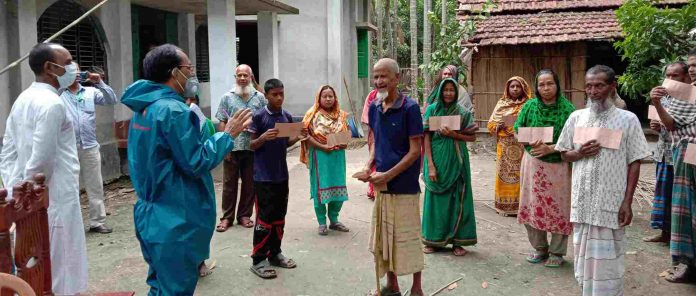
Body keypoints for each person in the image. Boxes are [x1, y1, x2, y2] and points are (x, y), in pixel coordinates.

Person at [121, 44, 252, 294]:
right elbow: (196, 161)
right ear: (175, 72)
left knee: (160, 284)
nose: (192, 74)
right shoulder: (173, 111)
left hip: (151, 214)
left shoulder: (145, 108)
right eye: (189, 68)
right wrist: (228, 135)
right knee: (175, 288)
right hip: (174, 217)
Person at [0, 43, 88, 295]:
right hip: (51, 195)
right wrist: (28, 193)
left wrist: (15, 188)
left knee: (37, 254)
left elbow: (8, 151)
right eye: (68, 61)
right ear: (51, 67)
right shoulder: (52, 104)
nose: (73, 68)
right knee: (58, 258)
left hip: (32, 195)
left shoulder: (23, 99)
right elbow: (43, 159)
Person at [556, 65, 650, 295]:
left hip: (611, 201)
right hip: (583, 200)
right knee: (582, 253)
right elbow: (563, 153)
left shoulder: (627, 120)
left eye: (599, 85)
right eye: (588, 86)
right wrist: (579, 154)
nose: (593, 91)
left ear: (612, 86)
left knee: (609, 257)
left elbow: (635, 161)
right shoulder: (576, 117)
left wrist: (627, 201)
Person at [356, 58, 425, 296]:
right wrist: (369, 165)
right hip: (382, 184)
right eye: (376, 76)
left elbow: (415, 150)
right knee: (384, 238)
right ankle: (391, 284)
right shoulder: (375, 106)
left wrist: (388, 173)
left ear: (397, 78)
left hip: (405, 186)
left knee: (409, 237)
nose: (378, 81)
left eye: (384, 76)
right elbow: (377, 142)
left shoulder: (410, 108)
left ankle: (417, 288)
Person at [514, 69, 575, 268]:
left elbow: (575, 141)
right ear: (536, 87)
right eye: (541, 85)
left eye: (550, 83)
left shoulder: (569, 110)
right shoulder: (529, 107)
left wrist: (551, 148)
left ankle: (557, 251)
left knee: (559, 208)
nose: (546, 88)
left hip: (559, 167)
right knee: (532, 206)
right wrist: (528, 141)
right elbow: (517, 131)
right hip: (533, 165)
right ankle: (539, 248)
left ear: (557, 85)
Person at [248, 78, 307, 279]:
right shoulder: (258, 117)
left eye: (282, 93)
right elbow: (251, 145)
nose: (279, 97)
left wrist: (299, 135)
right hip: (263, 177)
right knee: (264, 219)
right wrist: (264, 138)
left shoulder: (287, 116)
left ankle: (275, 253)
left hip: (282, 175)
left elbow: (287, 142)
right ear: (266, 95)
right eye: (275, 94)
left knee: (279, 217)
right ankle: (258, 259)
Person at [652, 52, 696, 283]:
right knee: (685, 209)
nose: (692, 70)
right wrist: (658, 104)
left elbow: (670, 124)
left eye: (695, 65)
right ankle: (686, 263)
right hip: (687, 154)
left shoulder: (687, 94)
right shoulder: (684, 94)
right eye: (690, 66)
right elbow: (669, 125)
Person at [59, 62, 118, 234]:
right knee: (70, 186)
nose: (76, 74)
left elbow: (111, 99)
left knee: (95, 185)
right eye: (71, 71)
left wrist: (99, 81)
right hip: (68, 148)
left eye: (78, 70)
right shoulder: (60, 94)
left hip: (90, 146)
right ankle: (71, 224)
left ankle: (97, 222)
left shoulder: (91, 92)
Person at [421, 78, 477, 256]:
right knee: (435, 201)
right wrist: (430, 165)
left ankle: (458, 242)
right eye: (445, 90)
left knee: (457, 199)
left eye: (452, 90)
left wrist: (454, 135)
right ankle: (433, 240)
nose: (448, 93)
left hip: (457, 161)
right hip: (436, 160)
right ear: (439, 91)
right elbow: (426, 137)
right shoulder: (432, 110)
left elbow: (472, 137)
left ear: (457, 92)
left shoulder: (462, 112)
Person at [215, 64, 267, 231]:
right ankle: (227, 218)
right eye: (240, 75)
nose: (243, 78)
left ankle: (244, 215)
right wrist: (224, 147)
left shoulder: (260, 98)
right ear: (235, 77)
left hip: (252, 147)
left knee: (250, 183)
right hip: (232, 146)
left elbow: (264, 121)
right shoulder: (227, 98)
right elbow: (222, 121)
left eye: (246, 75)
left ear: (251, 77)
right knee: (229, 183)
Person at [644, 62, 691, 244]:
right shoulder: (664, 98)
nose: (671, 80)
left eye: (675, 76)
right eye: (668, 76)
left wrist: (663, 121)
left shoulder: (689, 98)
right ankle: (665, 233)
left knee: (678, 197)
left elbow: (673, 125)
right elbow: (662, 125)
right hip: (664, 153)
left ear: (686, 77)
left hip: (681, 155)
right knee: (663, 193)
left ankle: (679, 236)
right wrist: (656, 127)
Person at [300, 85, 350, 236]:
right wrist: (322, 146)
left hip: (337, 156)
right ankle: (322, 222)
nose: (328, 99)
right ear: (319, 98)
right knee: (320, 188)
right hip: (320, 156)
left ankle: (334, 220)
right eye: (325, 96)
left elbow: (347, 134)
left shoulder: (341, 115)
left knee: (338, 186)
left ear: (335, 98)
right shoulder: (311, 115)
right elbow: (305, 136)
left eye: (331, 96)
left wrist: (343, 141)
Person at [487, 76, 532, 216]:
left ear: (523, 88)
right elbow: (490, 125)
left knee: (523, 174)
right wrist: (498, 126)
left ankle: (522, 206)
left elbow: (534, 123)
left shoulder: (529, 105)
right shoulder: (501, 104)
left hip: (523, 145)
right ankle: (504, 206)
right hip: (504, 145)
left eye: (518, 86)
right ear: (507, 88)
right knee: (504, 175)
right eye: (512, 86)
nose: (515, 89)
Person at [361, 88, 378, 200]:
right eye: (377, 76)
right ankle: (373, 189)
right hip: (374, 130)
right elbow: (367, 116)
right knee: (374, 159)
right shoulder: (372, 95)